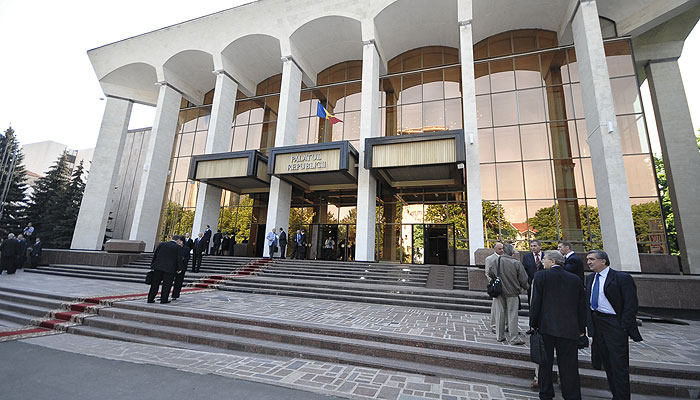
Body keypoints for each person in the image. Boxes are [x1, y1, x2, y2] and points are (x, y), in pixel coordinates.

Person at [529, 250, 587, 400]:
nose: (543, 261)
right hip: (570, 328)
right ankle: (572, 395)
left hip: (546, 327)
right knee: (569, 366)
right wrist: (581, 328)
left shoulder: (541, 276)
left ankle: (546, 393)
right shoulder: (575, 279)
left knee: (545, 364)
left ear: (553, 261)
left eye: (545, 259)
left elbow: (536, 302)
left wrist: (533, 324)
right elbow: (582, 305)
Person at [586, 250, 642, 400]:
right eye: (588, 259)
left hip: (615, 324)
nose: (589, 262)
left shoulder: (621, 278)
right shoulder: (590, 278)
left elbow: (631, 304)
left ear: (603, 261)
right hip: (598, 323)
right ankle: (615, 395)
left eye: (592, 259)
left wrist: (623, 326)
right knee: (607, 363)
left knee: (619, 364)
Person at [486, 243, 529, 345]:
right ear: (512, 252)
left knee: (500, 314)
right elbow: (523, 278)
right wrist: (526, 287)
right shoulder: (516, 263)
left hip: (499, 291)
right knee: (512, 315)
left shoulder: (496, 261)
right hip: (512, 292)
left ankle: (499, 336)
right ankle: (514, 338)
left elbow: (490, 273)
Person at [147, 235, 183, 304]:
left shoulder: (162, 244)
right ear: (178, 240)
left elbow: (155, 254)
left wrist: (153, 264)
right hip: (170, 269)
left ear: (171, 238)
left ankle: (150, 298)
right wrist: (179, 268)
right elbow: (179, 259)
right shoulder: (177, 247)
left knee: (154, 284)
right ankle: (164, 299)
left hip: (158, 268)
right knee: (167, 285)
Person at [484, 242, 504, 333]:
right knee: (496, 307)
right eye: (499, 249)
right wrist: (494, 283)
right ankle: (494, 326)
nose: (501, 250)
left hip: (506, 286)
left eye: (502, 248)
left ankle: (505, 325)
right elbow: (487, 273)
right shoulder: (490, 259)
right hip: (496, 286)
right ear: (495, 249)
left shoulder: (505, 258)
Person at [172, 236, 189, 300]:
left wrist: (183, 259)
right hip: (173, 267)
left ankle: (175, 295)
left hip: (182, 267)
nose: (180, 242)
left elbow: (188, 257)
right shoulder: (175, 247)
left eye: (181, 241)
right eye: (179, 241)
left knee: (178, 282)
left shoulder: (186, 248)